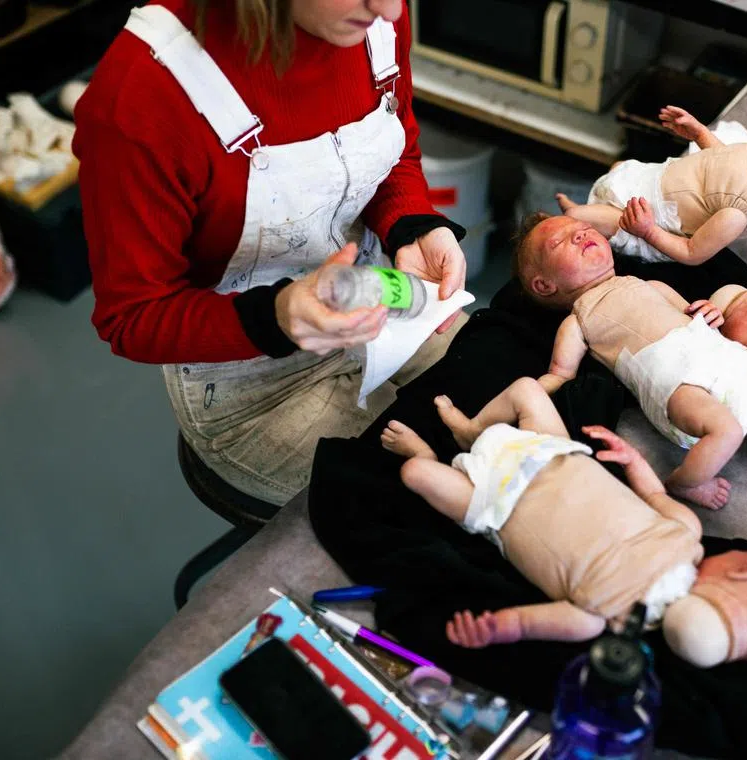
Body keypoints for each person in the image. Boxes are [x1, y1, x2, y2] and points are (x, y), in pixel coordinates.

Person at [74, 0, 468, 504]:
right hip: (253, 384)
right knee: (425, 507)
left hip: (375, 298)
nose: (390, 8)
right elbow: (133, 317)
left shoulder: (374, 22)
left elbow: (397, 150)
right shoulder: (143, 96)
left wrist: (411, 224)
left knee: (497, 410)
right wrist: (279, 317)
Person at [379, 377, 747, 666]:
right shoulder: (687, 535)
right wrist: (631, 456)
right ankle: (469, 429)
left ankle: (428, 453)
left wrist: (493, 629)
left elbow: (519, 624)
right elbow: (653, 492)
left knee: (415, 473)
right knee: (526, 389)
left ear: (743, 564)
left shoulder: (599, 618)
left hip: (490, 504)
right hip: (553, 453)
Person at [515, 214, 747, 507]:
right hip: (678, 381)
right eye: (560, 242)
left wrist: (709, 312)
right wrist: (529, 395)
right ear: (545, 285)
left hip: (722, 355)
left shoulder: (649, 284)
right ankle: (684, 483)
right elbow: (560, 374)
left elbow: (690, 312)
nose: (579, 235)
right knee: (725, 431)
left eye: (584, 229)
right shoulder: (578, 322)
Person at [557, 105, 747, 265]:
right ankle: (596, 196)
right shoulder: (738, 166)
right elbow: (719, 156)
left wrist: (648, 231)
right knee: (618, 167)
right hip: (648, 181)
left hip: (649, 220)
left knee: (581, 215)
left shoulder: (736, 215)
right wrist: (699, 132)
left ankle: (569, 210)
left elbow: (692, 252)